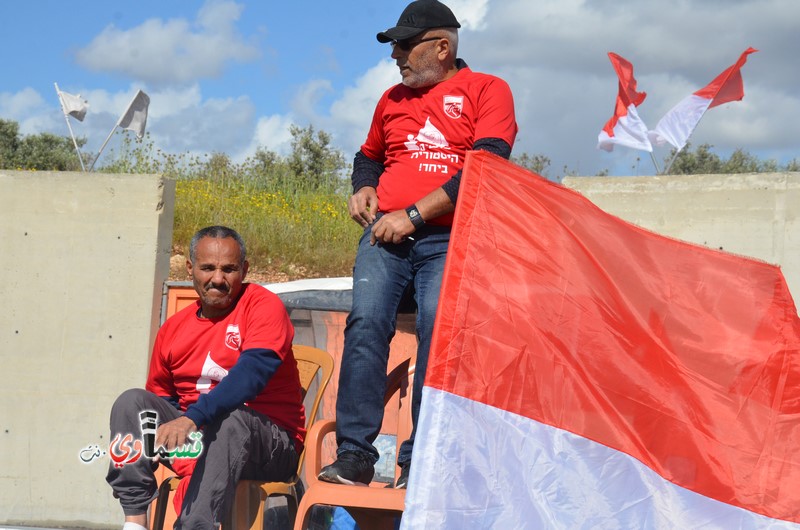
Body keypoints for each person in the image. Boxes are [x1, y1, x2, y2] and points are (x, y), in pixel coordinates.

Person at [318, 0, 517, 489]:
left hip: (451, 238)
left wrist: (412, 215)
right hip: (386, 238)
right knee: (364, 326)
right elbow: (368, 158)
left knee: (437, 334)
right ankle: (355, 458)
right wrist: (362, 187)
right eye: (394, 49)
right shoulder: (390, 99)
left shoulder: (487, 89)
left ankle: (419, 464)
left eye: (406, 46)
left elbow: (486, 167)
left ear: (442, 46)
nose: (397, 57)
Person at [106, 225, 305, 530]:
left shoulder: (262, 305)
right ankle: (135, 522)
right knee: (132, 402)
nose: (217, 279)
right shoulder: (173, 328)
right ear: (190, 269)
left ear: (245, 269)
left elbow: (252, 373)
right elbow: (161, 398)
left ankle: (196, 526)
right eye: (208, 268)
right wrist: (186, 430)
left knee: (231, 419)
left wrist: (193, 418)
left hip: (269, 444)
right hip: (199, 438)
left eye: (229, 269)